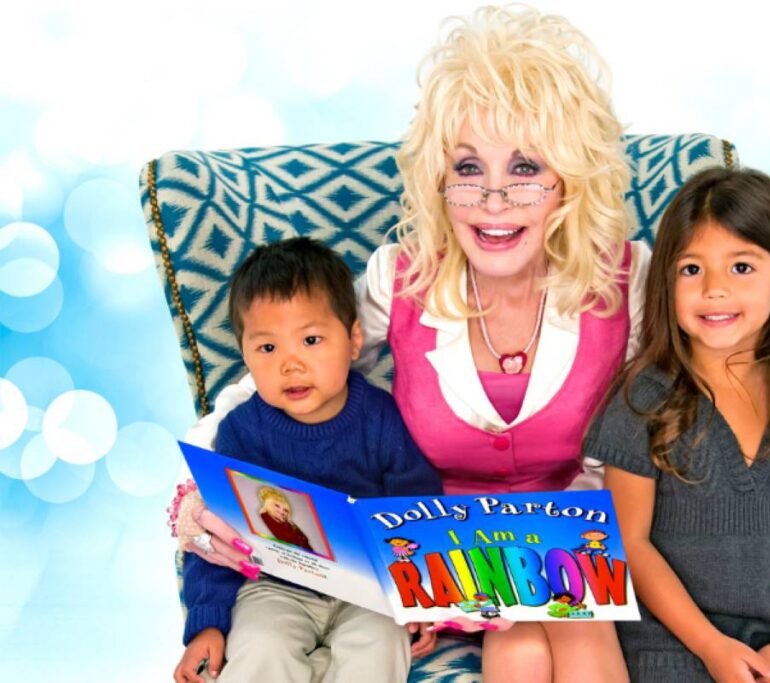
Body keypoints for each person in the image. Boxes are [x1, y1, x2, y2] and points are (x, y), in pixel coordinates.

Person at [175, 7, 649, 682]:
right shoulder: (402, 278)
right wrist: (198, 485)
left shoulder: (628, 278)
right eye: (466, 167)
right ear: (438, 177)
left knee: (557, 634)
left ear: (569, 176)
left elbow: (681, 413)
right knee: (517, 645)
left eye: (524, 167)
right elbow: (283, 372)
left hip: (569, 546)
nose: (492, 198)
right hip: (433, 557)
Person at [586, 167, 770, 683]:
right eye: (691, 270)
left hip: (768, 639)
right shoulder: (645, 399)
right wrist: (710, 647)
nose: (714, 290)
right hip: (663, 640)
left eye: (742, 267)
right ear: (667, 282)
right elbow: (629, 542)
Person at [173, 237, 443, 683]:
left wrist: (421, 599)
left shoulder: (382, 418)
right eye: (267, 349)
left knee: (377, 652)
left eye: (312, 340)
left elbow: (416, 511)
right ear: (244, 355)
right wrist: (206, 623)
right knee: (260, 648)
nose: (291, 364)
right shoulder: (240, 431)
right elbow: (216, 537)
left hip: (369, 592)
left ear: (354, 339)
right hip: (274, 588)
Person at [256, 486, 313, 553]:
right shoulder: (264, 517)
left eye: (285, 510)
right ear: (267, 505)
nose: (282, 512)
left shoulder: (289, 524)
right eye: (277, 506)